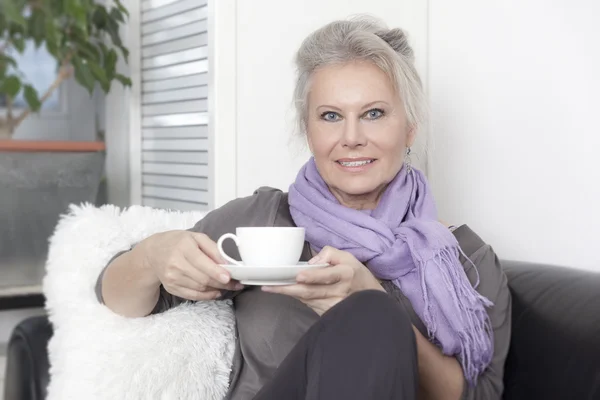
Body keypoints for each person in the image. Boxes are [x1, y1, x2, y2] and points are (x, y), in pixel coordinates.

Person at [96, 16, 511, 400]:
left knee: (373, 315)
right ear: (307, 129)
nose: (351, 137)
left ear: (409, 127)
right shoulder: (259, 222)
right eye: (330, 115)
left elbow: (480, 394)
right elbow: (114, 295)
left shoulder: (465, 261)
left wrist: (367, 295)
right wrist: (152, 256)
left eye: (374, 114)